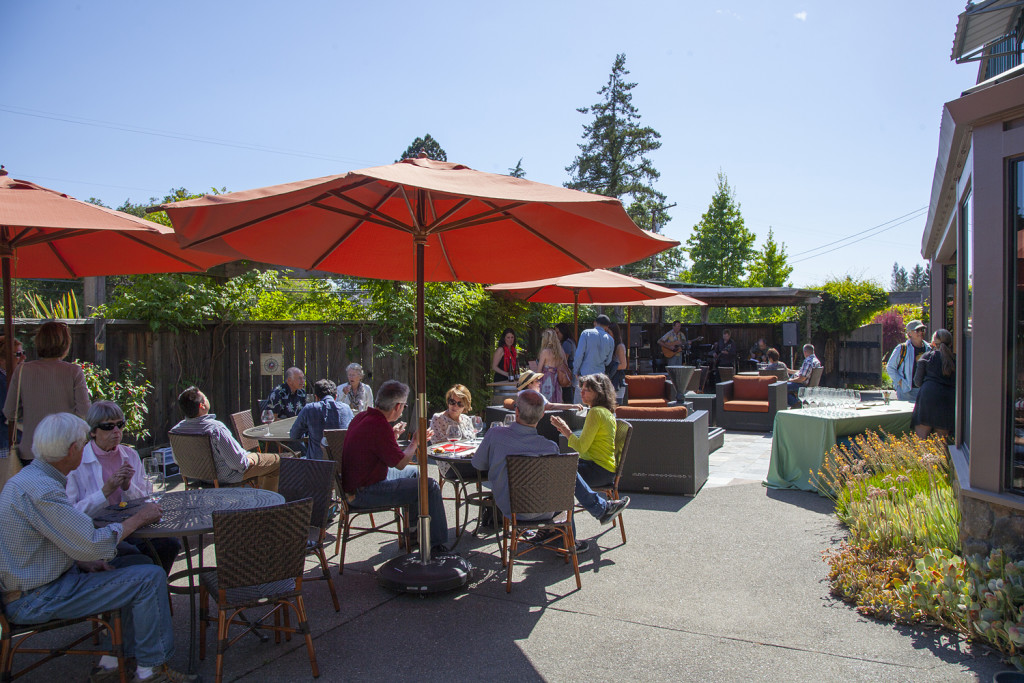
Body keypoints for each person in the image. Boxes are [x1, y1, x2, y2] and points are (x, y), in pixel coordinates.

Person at [0, 412, 196, 683]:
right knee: (149, 578)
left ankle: (111, 663)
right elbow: (92, 544)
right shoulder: (43, 490)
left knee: (136, 566)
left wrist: (82, 562)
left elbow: (49, 542)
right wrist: (137, 519)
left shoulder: (30, 479)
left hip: (36, 584)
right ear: (72, 450)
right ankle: (151, 671)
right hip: (34, 598)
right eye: (82, 443)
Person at [474, 390, 629, 554]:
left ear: (516, 411)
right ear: (542, 416)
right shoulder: (549, 447)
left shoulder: (495, 435)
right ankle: (570, 539)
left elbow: (478, 465)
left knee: (566, 473)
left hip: (510, 508)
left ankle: (570, 529)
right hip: (545, 509)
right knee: (566, 475)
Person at [66, 401, 181, 574]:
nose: (116, 431)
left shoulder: (130, 455)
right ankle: (148, 586)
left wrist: (127, 487)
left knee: (170, 544)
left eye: (120, 425)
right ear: (92, 431)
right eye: (108, 426)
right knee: (140, 559)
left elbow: (147, 499)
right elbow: (71, 515)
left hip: (132, 528)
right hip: (99, 534)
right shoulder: (78, 462)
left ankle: (154, 587)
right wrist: (105, 492)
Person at [341, 380, 449, 553]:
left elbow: (373, 447)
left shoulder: (363, 417)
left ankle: (413, 532)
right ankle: (437, 546)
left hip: (357, 483)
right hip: (365, 491)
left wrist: (392, 435)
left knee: (414, 473)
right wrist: (415, 442)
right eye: (404, 407)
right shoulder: (379, 425)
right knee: (429, 486)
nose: (403, 410)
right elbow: (399, 464)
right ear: (398, 406)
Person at [4, 321, 90, 465]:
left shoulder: (22, 370)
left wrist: (29, 418)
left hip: (31, 449)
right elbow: (85, 411)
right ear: (65, 343)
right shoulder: (73, 371)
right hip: (65, 450)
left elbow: (9, 411)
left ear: (39, 341)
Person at [170, 386, 281, 491]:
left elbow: (178, 460)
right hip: (226, 476)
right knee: (276, 461)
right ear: (202, 406)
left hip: (197, 477)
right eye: (206, 398)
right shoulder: (215, 429)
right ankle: (268, 504)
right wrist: (250, 459)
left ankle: (256, 496)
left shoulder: (176, 430)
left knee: (261, 465)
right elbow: (239, 464)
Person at [550, 373, 618, 489]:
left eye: (587, 390)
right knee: (558, 466)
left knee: (552, 471)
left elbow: (581, 447)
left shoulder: (596, 412)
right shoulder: (607, 412)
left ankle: (599, 506)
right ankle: (598, 505)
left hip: (597, 471)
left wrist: (565, 428)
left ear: (598, 393)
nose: (581, 393)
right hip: (604, 470)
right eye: (582, 389)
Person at [290, 379, 354, 460]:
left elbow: (294, 435)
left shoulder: (310, 409)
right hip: (342, 464)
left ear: (316, 397)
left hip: (316, 465)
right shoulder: (346, 409)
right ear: (336, 397)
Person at [911, 329, 956, 439]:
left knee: (921, 441)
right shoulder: (955, 359)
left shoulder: (926, 357)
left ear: (933, 343)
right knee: (941, 444)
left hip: (927, 396)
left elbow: (917, 382)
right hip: (947, 399)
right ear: (950, 343)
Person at [574, 315, 614, 402]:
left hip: (584, 375)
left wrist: (575, 371)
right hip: (599, 378)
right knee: (597, 404)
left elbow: (579, 355)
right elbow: (608, 361)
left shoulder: (586, 333)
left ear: (595, 323)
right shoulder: (610, 339)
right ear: (607, 327)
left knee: (579, 407)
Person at [886, 319, 928, 401]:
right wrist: (901, 382)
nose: (921, 332)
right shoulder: (902, 348)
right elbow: (890, 367)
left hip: (925, 391)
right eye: (917, 330)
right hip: (906, 391)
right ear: (909, 333)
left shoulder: (929, 348)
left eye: (922, 330)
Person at [0, 336, 24, 459]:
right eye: (18, 354)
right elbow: (9, 412)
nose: (23, 358)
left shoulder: (9, 379)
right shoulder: (3, 383)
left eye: (23, 353)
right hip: (5, 444)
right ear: (2, 360)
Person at [514, 370, 579, 411]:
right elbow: (550, 406)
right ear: (529, 384)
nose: (539, 383)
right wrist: (573, 406)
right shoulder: (535, 395)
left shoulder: (520, 394)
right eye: (536, 381)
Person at [535, 328, 568, 404]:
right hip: (557, 380)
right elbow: (565, 365)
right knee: (556, 402)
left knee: (546, 403)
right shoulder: (561, 351)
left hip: (546, 380)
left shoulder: (545, 352)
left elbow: (539, 371)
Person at [555, 323, 577, 404]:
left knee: (567, 396)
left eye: (558, 333)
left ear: (563, 332)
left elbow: (564, 360)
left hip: (567, 373)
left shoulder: (566, 343)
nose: (556, 335)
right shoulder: (571, 341)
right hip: (571, 372)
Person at [606, 323, 628, 390]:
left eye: (608, 332)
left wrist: (610, 367)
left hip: (617, 379)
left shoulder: (620, 346)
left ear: (614, 333)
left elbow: (624, 365)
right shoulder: (608, 345)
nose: (606, 335)